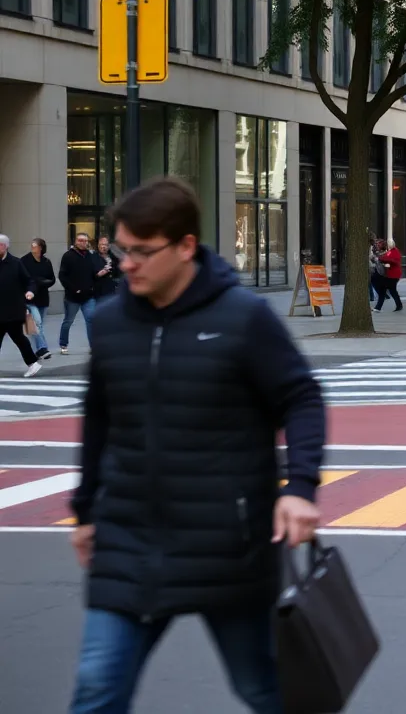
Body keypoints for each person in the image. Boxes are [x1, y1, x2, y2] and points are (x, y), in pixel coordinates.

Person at [67, 177, 326, 713]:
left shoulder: (242, 318)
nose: (127, 263)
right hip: (129, 540)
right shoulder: (112, 323)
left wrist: (299, 487)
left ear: (186, 246)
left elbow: (301, 397)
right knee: (96, 689)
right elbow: (98, 419)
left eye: (142, 251)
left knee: (265, 689)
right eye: (121, 249)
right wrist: (86, 508)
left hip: (227, 543)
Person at [0, 234, 41, 377]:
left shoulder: (15, 263)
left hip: (13, 310)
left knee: (18, 338)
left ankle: (33, 363)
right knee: (18, 338)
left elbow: (29, 281)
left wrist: (30, 291)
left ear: (4, 246)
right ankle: (33, 363)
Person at [59, 232, 97, 354]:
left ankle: (93, 346)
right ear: (75, 241)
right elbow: (62, 275)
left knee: (90, 319)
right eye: (80, 240)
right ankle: (63, 344)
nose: (83, 243)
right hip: (72, 297)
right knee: (68, 321)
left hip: (88, 296)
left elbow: (93, 273)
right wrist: (73, 289)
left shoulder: (90, 256)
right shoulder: (68, 256)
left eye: (85, 241)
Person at [20, 237, 56, 362]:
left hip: (43, 297)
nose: (32, 247)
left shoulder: (46, 262)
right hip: (29, 298)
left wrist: (42, 283)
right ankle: (43, 349)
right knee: (37, 323)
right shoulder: (24, 261)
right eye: (31, 245)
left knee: (38, 326)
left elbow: (52, 279)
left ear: (41, 247)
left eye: (34, 245)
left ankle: (37, 351)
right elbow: (22, 279)